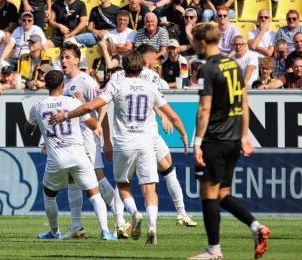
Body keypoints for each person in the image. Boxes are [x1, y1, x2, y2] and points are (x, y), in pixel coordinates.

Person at [49, 50, 189, 245]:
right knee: (150, 188)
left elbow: (91, 107)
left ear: (123, 67)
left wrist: (65, 115)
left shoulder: (117, 84)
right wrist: (183, 134)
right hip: (146, 143)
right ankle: (153, 225)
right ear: (141, 67)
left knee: (123, 185)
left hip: (123, 143)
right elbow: (172, 116)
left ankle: (134, 213)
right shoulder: (150, 87)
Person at [188, 23, 270, 260]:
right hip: (233, 138)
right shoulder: (233, 65)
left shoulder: (208, 69)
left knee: (208, 194)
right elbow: (244, 101)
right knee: (223, 193)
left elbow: (204, 108)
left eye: (194, 41)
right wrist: (244, 135)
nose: (193, 46)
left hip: (214, 139)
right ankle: (256, 228)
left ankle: (213, 250)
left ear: (202, 42)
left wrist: (197, 142)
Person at [109, 44, 197, 227]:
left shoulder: (117, 77)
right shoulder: (152, 78)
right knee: (167, 170)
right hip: (148, 134)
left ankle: (120, 221)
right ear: (146, 60)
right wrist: (165, 117)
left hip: (128, 136)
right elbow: (154, 99)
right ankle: (180, 213)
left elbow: (105, 103)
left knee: (124, 180)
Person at [24, 70, 117, 241]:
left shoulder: (38, 106)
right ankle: (105, 231)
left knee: (49, 194)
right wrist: (82, 109)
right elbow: (93, 124)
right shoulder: (73, 103)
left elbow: (28, 130)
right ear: (62, 85)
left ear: (45, 86)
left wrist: (39, 126)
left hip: (56, 158)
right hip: (78, 154)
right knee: (94, 193)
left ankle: (54, 232)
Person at [58, 42, 117, 240]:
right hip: (70, 141)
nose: (63, 60)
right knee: (71, 179)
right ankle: (77, 227)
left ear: (77, 60)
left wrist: (107, 141)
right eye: (61, 57)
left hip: (88, 140)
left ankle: (120, 221)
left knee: (97, 180)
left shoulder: (88, 82)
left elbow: (103, 109)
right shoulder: (61, 84)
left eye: (67, 57)